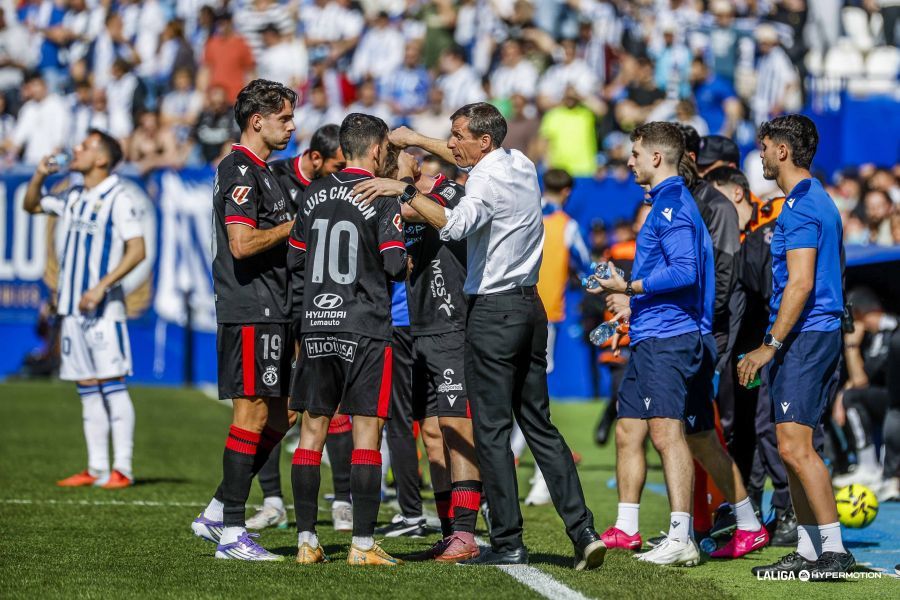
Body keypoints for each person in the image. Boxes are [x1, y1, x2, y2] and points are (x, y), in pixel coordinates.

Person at [352, 103, 606, 570]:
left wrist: (402, 188)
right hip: (531, 308)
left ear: (483, 141)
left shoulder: (484, 183)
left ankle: (507, 542)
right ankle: (584, 530)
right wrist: (419, 140)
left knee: (489, 431)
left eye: (457, 136)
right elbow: (464, 158)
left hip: (493, 310)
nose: (450, 144)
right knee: (540, 426)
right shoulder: (520, 163)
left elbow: (454, 225)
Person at [287, 113, 407, 567]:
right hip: (365, 324)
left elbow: (295, 258)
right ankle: (362, 544)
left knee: (311, 430)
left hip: (317, 322)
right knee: (366, 432)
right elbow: (394, 264)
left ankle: (306, 541)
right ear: (376, 150)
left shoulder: (314, 192)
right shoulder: (380, 195)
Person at [738, 114, 853, 578]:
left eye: (765, 148)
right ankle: (809, 548)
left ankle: (834, 552)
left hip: (807, 336)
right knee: (791, 447)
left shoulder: (802, 205)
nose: (762, 156)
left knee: (796, 447)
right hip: (809, 335)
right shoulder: (811, 198)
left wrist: (769, 344)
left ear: (782, 151)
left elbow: (801, 283)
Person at [589, 122, 706, 566]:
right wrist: (632, 307)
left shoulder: (673, 204)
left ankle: (681, 536)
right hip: (649, 332)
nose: (629, 160)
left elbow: (685, 271)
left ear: (656, 158)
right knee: (628, 429)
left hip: (668, 336)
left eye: (635, 153)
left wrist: (629, 286)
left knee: (665, 432)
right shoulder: (662, 202)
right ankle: (627, 526)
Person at [190, 79, 297, 561]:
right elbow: (241, 243)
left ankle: (217, 510)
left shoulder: (264, 170)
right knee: (251, 412)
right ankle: (233, 532)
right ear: (258, 120)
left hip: (274, 306)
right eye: (284, 118)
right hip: (251, 306)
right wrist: (297, 226)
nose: (292, 126)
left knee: (284, 412)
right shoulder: (238, 168)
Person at [23, 130, 144, 490]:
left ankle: (122, 468)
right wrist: (40, 175)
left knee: (112, 385)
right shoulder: (74, 195)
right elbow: (31, 205)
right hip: (72, 309)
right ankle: (96, 467)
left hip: (103, 310)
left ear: (102, 159)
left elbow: (137, 250)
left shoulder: (118, 197)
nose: (76, 149)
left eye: (86, 146)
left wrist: (102, 286)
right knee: (87, 387)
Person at [245, 123, 351, 532]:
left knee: (330, 404)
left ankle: (343, 501)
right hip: (275, 307)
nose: (343, 173)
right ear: (315, 158)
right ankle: (273, 501)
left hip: (319, 306)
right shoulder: (272, 178)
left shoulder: (337, 189)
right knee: (272, 404)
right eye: (338, 166)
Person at [526, 167, 591, 507]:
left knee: (515, 389)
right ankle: (541, 477)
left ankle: (516, 464)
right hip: (546, 315)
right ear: (566, 191)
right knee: (535, 394)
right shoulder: (567, 225)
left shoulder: (526, 213)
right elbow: (586, 266)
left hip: (508, 307)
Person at [831, 287, 900, 501]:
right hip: (888, 399)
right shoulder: (875, 336)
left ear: (860, 313)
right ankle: (868, 466)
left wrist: (851, 345)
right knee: (848, 396)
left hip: (895, 402)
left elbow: (860, 380)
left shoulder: (891, 328)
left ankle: (874, 470)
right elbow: (863, 379)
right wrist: (842, 394)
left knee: (852, 397)